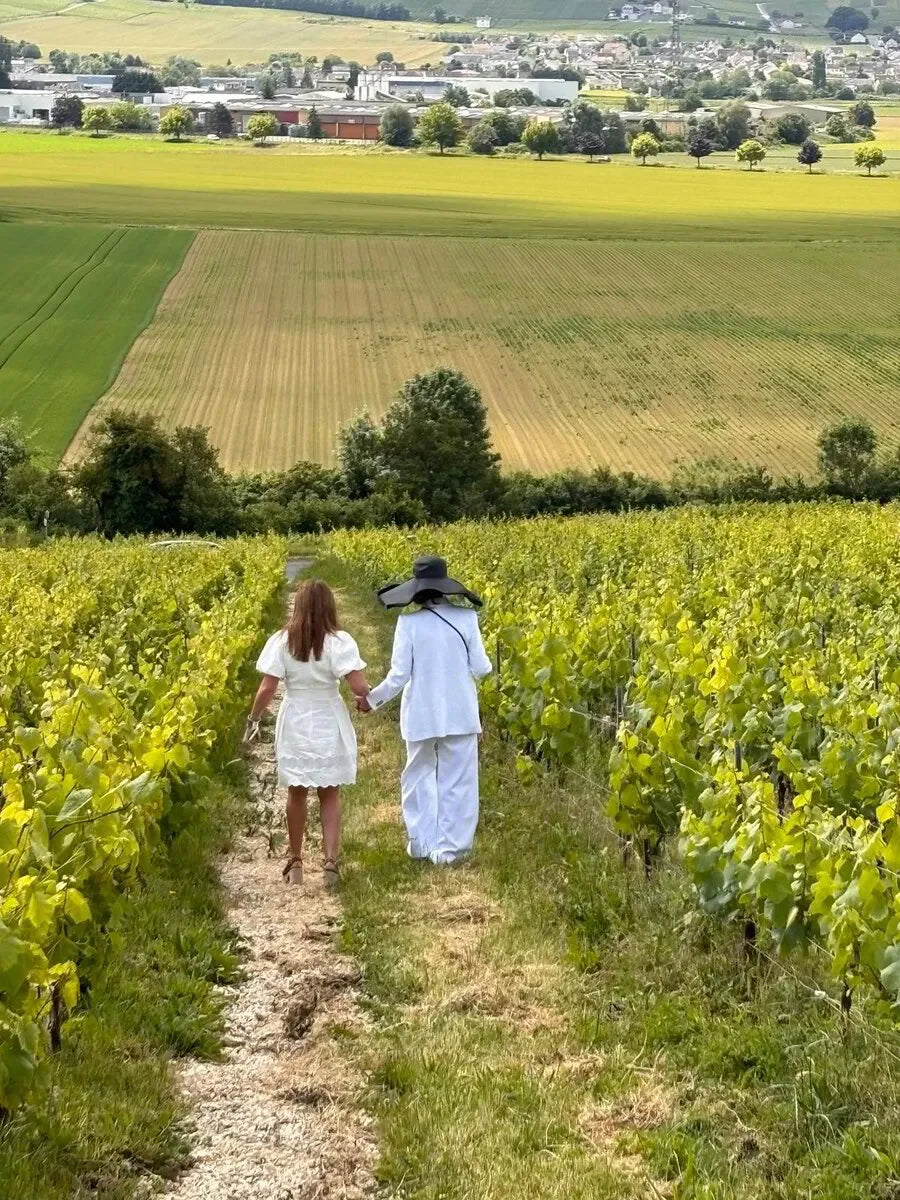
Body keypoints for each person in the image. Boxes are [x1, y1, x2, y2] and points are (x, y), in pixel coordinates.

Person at [360, 555, 492, 865]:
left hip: (421, 714)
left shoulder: (407, 623)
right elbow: (482, 669)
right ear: (445, 587)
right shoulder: (467, 619)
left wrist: (371, 699)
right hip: (460, 713)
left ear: (417, 590)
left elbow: (399, 676)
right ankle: (450, 850)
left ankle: (421, 843)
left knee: (417, 774)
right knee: (458, 780)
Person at [247, 580, 370, 888]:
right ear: (330, 606)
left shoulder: (282, 641)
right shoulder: (339, 642)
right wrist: (365, 699)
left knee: (296, 792)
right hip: (328, 715)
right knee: (329, 792)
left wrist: (253, 719)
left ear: (298, 606)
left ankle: (296, 860)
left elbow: (268, 688)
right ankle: (330, 861)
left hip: (297, 718)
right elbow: (358, 686)